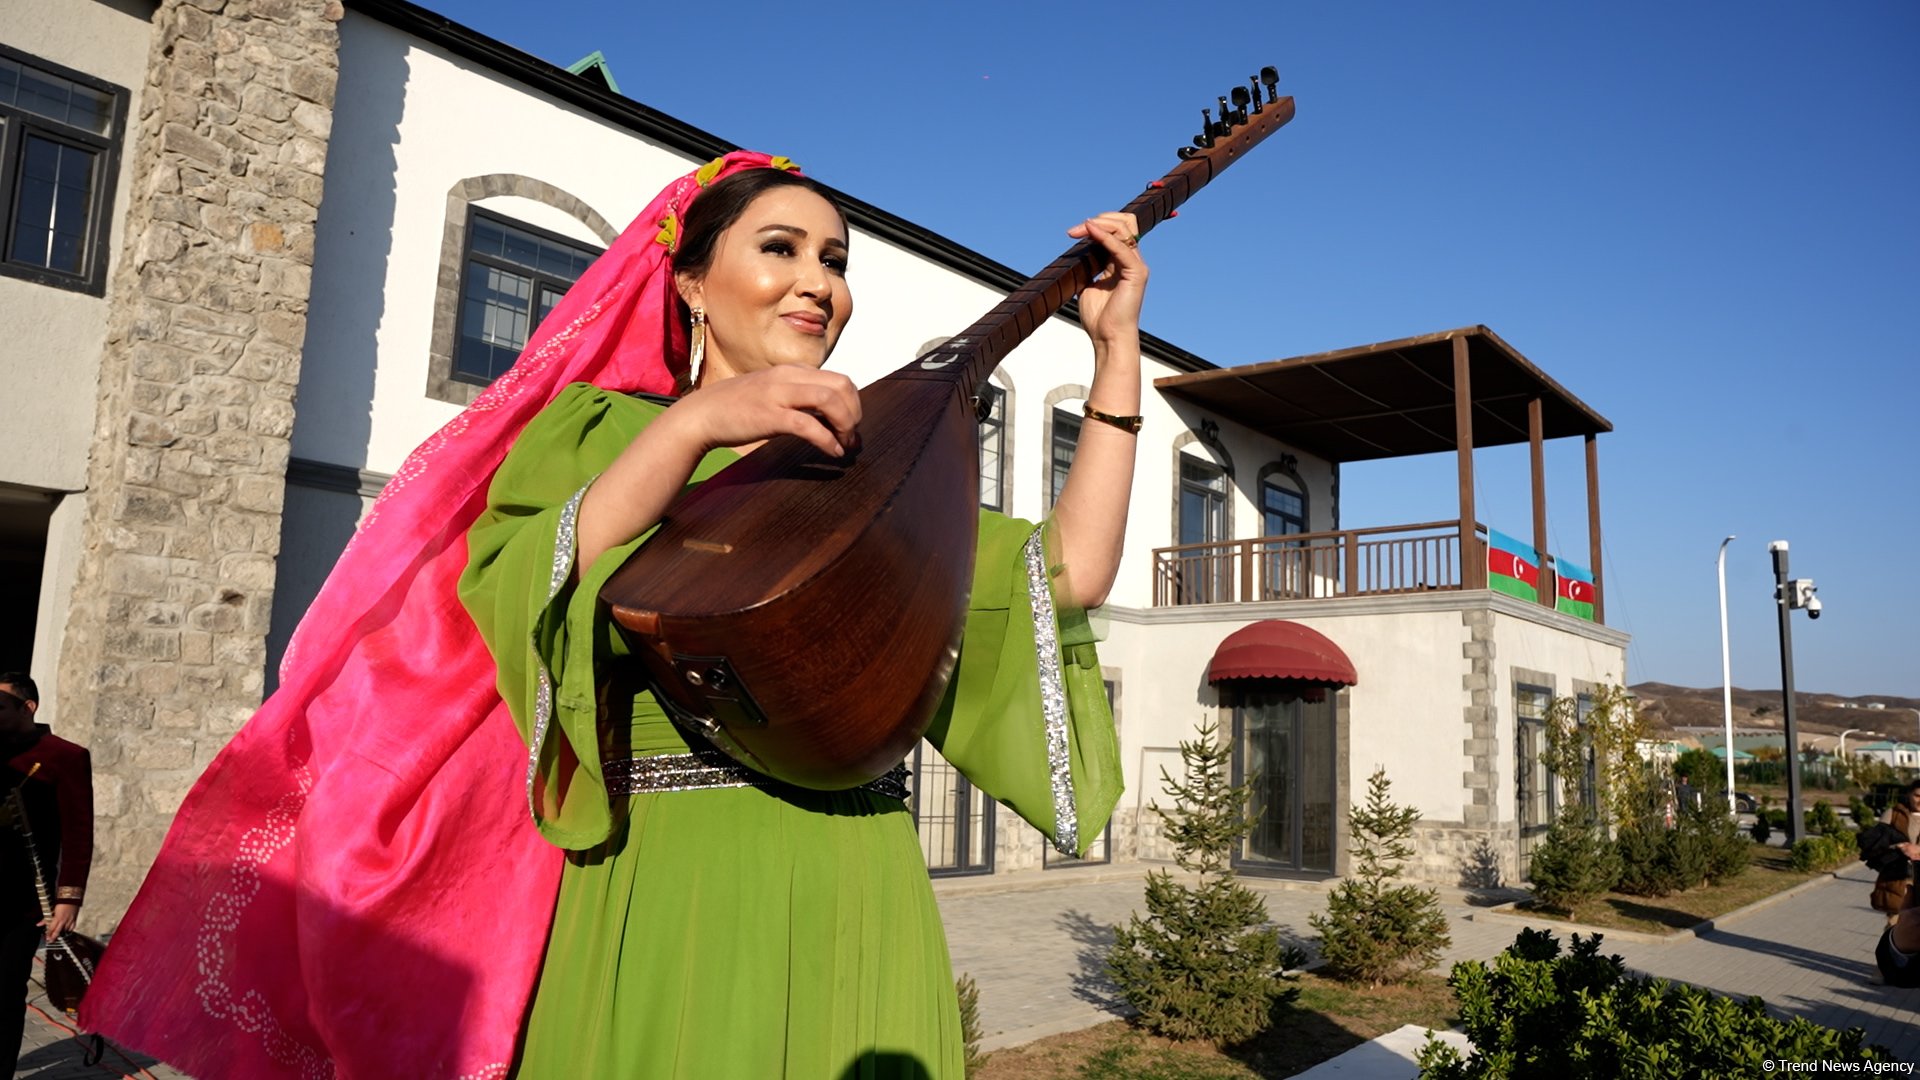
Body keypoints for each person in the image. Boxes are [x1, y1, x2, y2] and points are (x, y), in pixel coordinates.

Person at [82, 151, 1143, 1078]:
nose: (818, 282)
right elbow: (516, 580)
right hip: (670, 886)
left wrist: (1114, 350)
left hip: (858, 879)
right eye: (782, 248)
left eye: (835, 261)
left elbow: (1066, 577)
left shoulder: (866, 477)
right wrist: (695, 430)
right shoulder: (603, 431)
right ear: (691, 281)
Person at [2, 672, 94, 1077]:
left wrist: (68, 899)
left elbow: (78, 832)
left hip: (21, 902)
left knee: (5, 993)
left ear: (28, 708)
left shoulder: (65, 756)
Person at [1870, 781, 1920, 925]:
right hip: (1899, 879)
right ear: (1909, 794)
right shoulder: (1893, 814)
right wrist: (1899, 846)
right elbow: (1875, 843)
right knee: (1896, 924)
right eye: (1917, 795)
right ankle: (1891, 947)